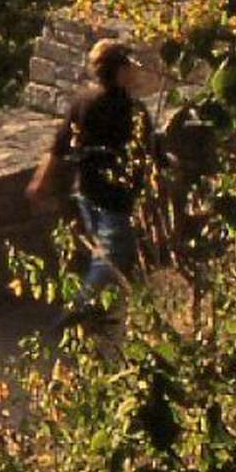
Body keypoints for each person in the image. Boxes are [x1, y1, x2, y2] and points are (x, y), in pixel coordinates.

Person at [25, 38, 154, 315]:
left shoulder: (83, 101)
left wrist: (39, 182)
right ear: (120, 70)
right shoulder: (131, 109)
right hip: (115, 195)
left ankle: (108, 315)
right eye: (131, 66)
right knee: (110, 259)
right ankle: (74, 315)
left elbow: (58, 146)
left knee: (104, 253)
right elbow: (148, 152)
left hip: (86, 188)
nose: (135, 71)